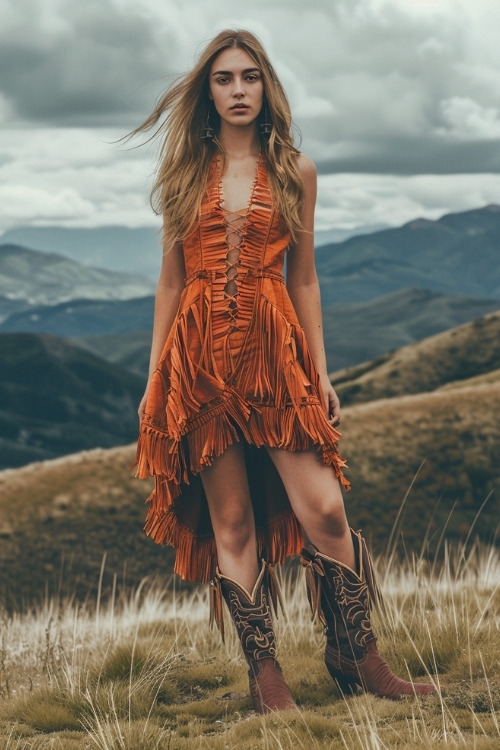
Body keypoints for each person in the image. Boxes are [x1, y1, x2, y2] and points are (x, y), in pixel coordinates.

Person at [133, 29, 436, 713]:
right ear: (207, 94)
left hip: (275, 359)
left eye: (249, 77)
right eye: (223, 79)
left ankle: (356, 655)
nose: (238, 90)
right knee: (233, 525)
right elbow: (169, 284)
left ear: (266, 87)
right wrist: (156, 380)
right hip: (201, 364)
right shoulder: (184, 175)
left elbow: (304, 279)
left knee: (325, 508)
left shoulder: (295, 170)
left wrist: (321, 370)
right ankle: (265, 676)